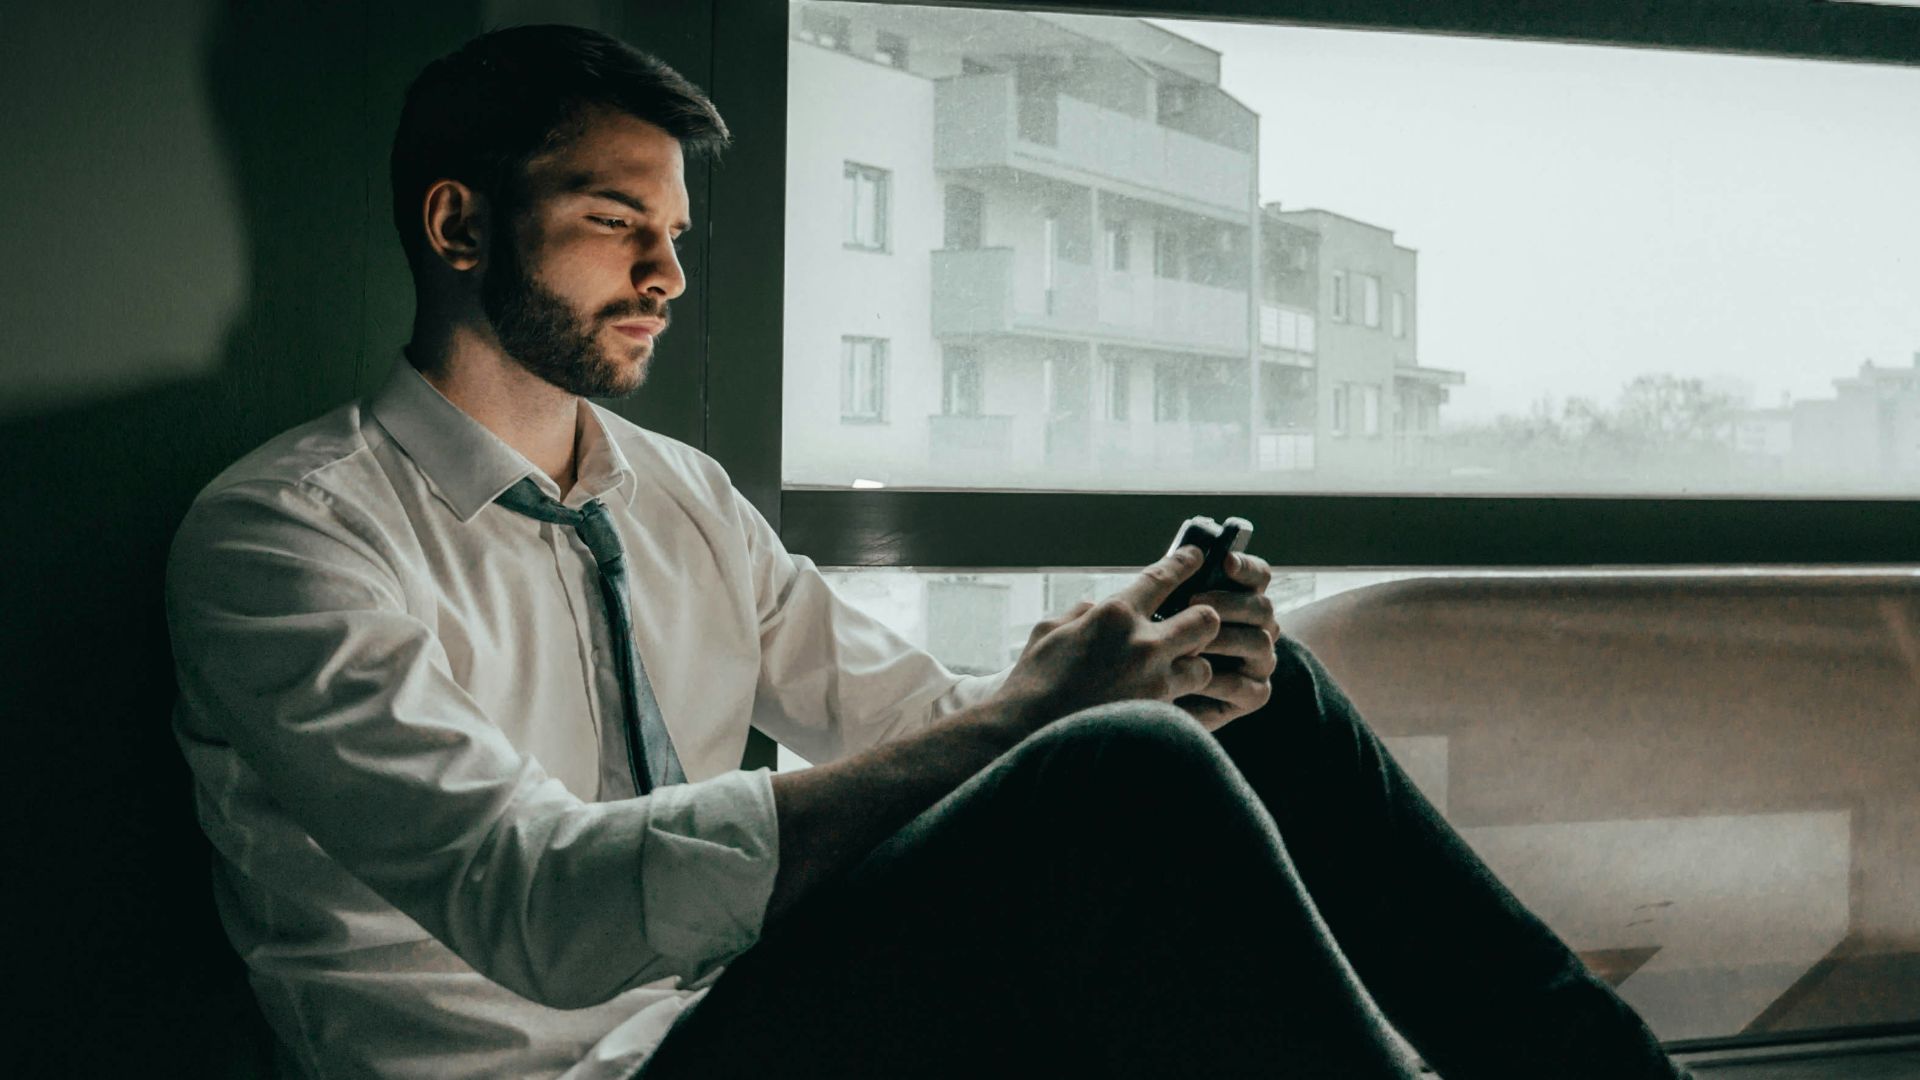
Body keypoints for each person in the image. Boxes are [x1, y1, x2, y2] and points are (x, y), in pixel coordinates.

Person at [165, 25, 1691, 1080]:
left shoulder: (674, 492)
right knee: (1125, 772)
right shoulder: (287, 541)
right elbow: (538, 903)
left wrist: (1124, 660)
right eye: (614, 221)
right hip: (581, 1069)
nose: (668, 272)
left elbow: (904, 720)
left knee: (1239, 695)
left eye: (679, 232)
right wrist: (1055, 718)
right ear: (459, 226)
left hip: (749, 1013)